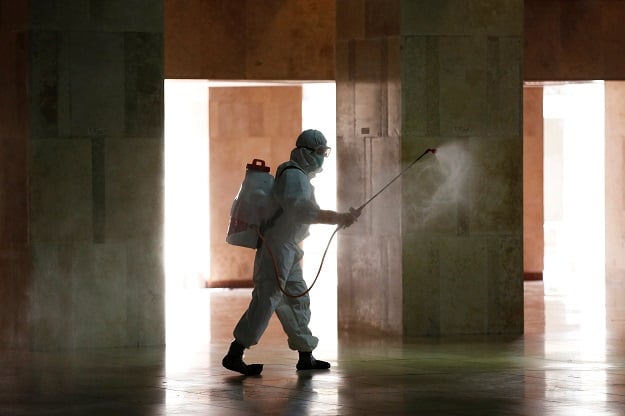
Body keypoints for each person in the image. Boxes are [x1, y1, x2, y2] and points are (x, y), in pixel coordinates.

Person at [222, 129, 359, 375]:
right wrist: (338, 217)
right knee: (267, 299)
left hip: (288, 248)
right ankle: (235, 352)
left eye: (324, 153)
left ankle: (306, 355)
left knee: (296, 298)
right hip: (277, 247)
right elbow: (302, 211)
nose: (322, 158)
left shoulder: (300, 176)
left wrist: (341, 218)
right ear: (305, 152)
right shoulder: (293, 176)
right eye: (319, 152)